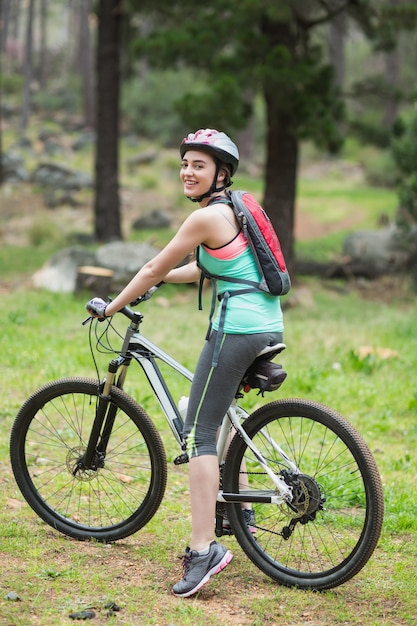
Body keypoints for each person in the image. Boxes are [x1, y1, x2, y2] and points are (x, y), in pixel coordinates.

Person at [86, 128, 284, 597]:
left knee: (197, 432)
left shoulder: (205, 218)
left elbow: (153, 265)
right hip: (267, 325)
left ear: (220, 173)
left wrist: (113, 306)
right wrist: (164, 282)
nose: (188, 172)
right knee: (219, 415)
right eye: (185, 164)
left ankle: (203, 550)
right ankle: (239, 513)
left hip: (235, 329)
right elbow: (205, 267)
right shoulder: (232, 210)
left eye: (199, 165)